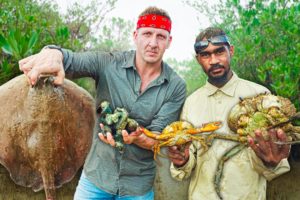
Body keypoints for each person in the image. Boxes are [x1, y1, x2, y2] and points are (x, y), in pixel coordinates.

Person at [19, 6, 186, 200]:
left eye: (161, 36)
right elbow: (72, 59)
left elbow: (157, 137)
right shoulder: (108, 63)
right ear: (135, 35)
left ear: (169, 41)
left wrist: (138, 137)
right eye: (147, 33)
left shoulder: (175, 86)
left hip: (137, 187)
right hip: (96, 179)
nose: (153, 43)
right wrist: (53, 54)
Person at [168, 27, 290, 200]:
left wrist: (272, 161)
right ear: (198, 59)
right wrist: (181, 161)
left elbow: (274, 161)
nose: (213, 60)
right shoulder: (191, 102)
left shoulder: (261, 95)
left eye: (219, 52)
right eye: (205, 55)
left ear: (230, 50)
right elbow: (187, 163)